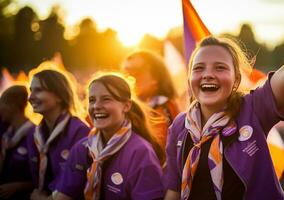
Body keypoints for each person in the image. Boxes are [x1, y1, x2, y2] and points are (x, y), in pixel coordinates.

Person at [164, 0, 284, 199]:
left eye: (220, 67)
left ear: (236, 80)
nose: (207, 74)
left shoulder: (252, 108)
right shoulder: (179, 127)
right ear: (189, 80)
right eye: (199, 68)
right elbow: (173, 189)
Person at [55, 73, 164, 200]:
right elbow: (64, 195)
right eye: (92, 100)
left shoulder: (140, 152)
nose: (96, 106)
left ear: (126, 106)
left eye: (106, 99)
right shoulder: (82, 148)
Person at [27, 69, 90, 200]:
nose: (30, 97)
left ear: (59, 96)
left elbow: (76, 182)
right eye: (31, 90)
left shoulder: (80, 131)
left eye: (38, 90)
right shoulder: (35, 132)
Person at [124, 50, 180, 150]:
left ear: (156, 76)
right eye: (126, 72)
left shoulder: (166, 109)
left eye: (136, 71)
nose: (129, 77)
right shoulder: (122, 109)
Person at [0, 85, 35, 199]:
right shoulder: (7, 133)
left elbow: (45, 177)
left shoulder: (35, 134)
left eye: (2, 103)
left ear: (13, 106)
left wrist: (18, 186)